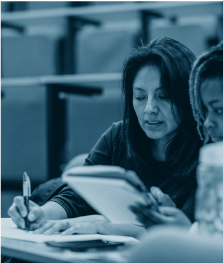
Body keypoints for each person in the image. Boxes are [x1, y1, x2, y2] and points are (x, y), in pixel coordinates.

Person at [8, 37, 202, 238]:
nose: (149, 109)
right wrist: (41, 213)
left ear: (186, 96)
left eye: (164, 96)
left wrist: (103, 226)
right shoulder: (118, 136)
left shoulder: (207, 155)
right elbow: (75, 196)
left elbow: (188, 232)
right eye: (140, 97)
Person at [130, 36, 223, 246]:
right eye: (206, 110)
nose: (208, 122)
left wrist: (183, 235)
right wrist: (177, 228)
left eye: (219, 110)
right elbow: (213, 244)